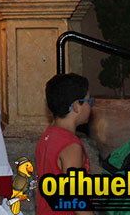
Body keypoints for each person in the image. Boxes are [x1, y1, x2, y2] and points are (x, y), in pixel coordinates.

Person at [35, 73, 94, 215]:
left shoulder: (47, 136)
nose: (91, 107)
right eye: (89, 101)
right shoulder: (71, 146)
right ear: (76, 106)